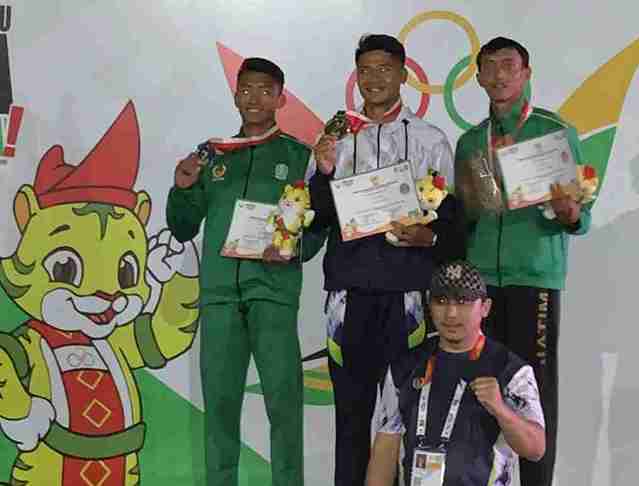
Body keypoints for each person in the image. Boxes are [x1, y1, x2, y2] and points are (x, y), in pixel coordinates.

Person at [307, 34, 464, 486]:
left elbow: (452, 223)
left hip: (406, 295)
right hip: (348, 295)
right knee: (351, 415)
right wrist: (323, 171)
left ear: (403, 75)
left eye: (384, 69)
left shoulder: (430, 139)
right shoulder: (335, 138)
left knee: (405, 415)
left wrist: (429, 237)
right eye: (365, 70)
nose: (374, 79)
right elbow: (315, 215)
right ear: (356, 77)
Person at [166, 57, 325, 486]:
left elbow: (317, 228)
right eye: (246, 89)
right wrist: (182, 188)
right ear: (235, 95)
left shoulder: (299, 157)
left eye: (265, 90)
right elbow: (182, 226)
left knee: (284, 407)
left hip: (272, 295)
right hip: (220, 297)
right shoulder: (212, 154)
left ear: (280, 99)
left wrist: (291, 249)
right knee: (219, 407)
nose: (255, 98)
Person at [453, 36, 592, 486]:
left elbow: (581, 215)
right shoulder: (469, 142)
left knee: (535, 398)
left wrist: (571, 213)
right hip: (480, 288)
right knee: (477, 393)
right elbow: (462, 220)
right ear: (478, 77)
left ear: (526, 73)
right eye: (489, 66)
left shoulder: (554, 132)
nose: (499, 75)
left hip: (534, 280)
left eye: (508, 65)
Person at [366, 260, 546, 486]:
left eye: (463, 302)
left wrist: (501, 410)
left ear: (485, 307)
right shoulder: (404, 367)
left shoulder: (511, 371)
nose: (451, 314)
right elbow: (385, 449)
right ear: (429, 305)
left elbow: (536, 449)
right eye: (441, 301)